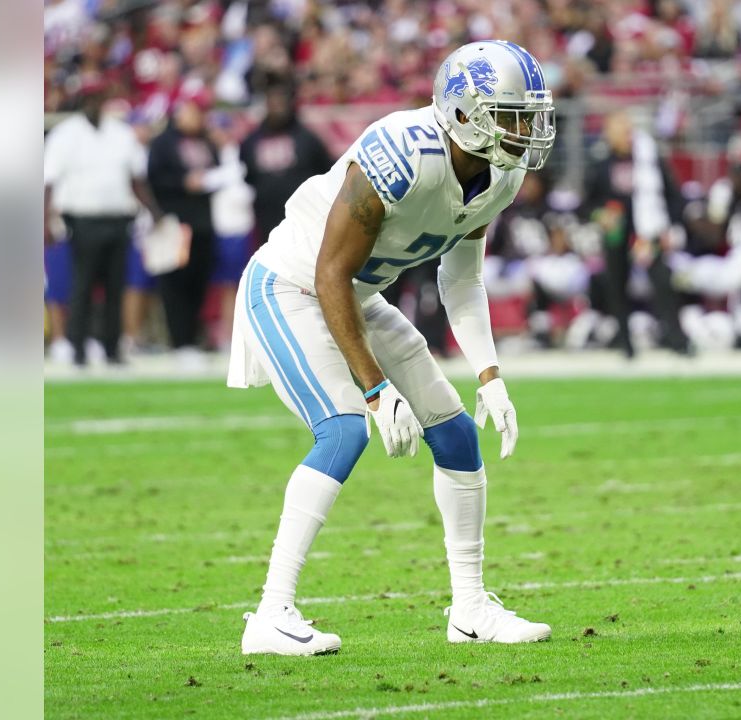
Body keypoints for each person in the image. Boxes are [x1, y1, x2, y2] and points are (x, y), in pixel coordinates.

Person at [228, 41, 556, 655]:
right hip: (291, 284)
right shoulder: (402, 154)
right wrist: (376, 392)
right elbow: (328, 271)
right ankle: (270, 614)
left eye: (527, 114)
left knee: (456, 433)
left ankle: (471, 609)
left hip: (355, 293)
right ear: (463, 113)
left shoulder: (500, 175)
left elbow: (461, 278)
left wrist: (490, 375)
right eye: (510, 113)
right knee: (345, 430)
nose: (524, 128)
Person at [43, 77, 161, 366]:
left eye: (99, 98)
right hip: (82, 219)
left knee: (115, 286)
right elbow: (50, 182)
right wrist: (46, 219)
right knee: (81, 286)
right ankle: (78, 347)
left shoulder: (121, 134)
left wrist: (155, 212)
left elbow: (136, 180)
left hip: (119, 218)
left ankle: (112, 347)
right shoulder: (65, 134)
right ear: (83, 102)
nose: (95, 104)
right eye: (90, 98)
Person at [581, 111, 692, 358]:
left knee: (662, 280)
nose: (624, 137)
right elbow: (586, 204)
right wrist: (601, 216)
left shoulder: (649, 161)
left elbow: (673, 196)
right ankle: (625, 342)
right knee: (617, 285)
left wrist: (669, 227)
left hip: (647, 231)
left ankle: (676, 338)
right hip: (617, 233)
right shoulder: (601, 166)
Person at [147, 94, 220, 366]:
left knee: (199, 282)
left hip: (203, 222)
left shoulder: (206, 142)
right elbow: (154, 179)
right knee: (175, 283)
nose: (198, 118)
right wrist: (183, 182)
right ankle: (180, 341)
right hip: (175, 224)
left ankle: (193, 338)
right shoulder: (164, 144)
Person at [240, 83, 334, 246]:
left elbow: (324, 169)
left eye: (281, 103)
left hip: (304, 215)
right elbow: (248, 174)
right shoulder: (252, 140)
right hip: (267, 215)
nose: (277, 108)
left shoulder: (307, 138)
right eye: (273, 103)